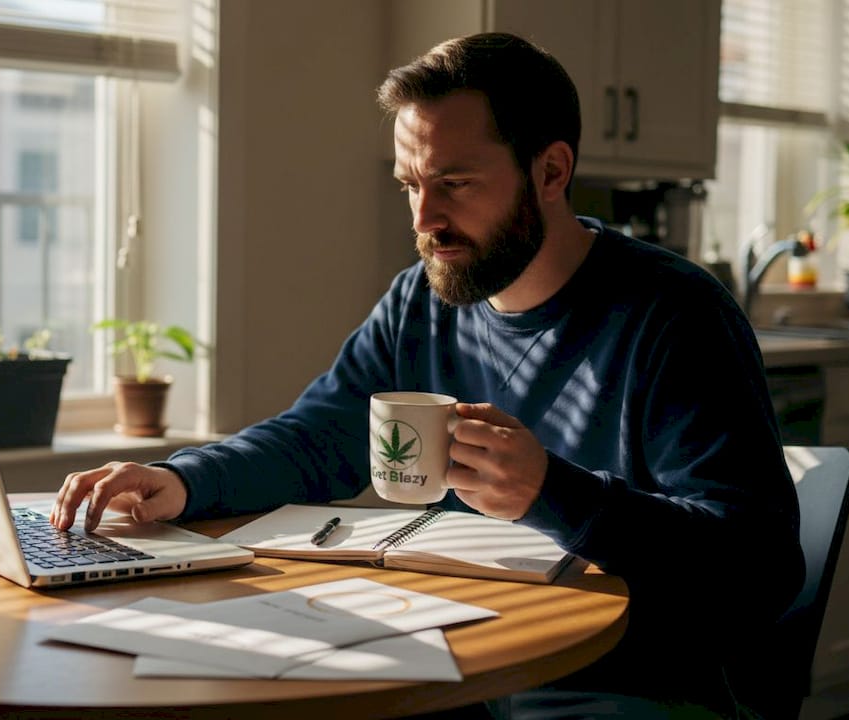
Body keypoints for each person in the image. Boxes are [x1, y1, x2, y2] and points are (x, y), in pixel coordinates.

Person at [52, 32, 803, 718]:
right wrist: (182, 480)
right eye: (411, 184)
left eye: (456, 183)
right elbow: (319, 435)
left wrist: (553, 492)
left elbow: (757, 569)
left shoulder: (673, 315)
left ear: (551, 170)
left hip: (621, 684)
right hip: (459, 662)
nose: (425, 219)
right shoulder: (423, 298)